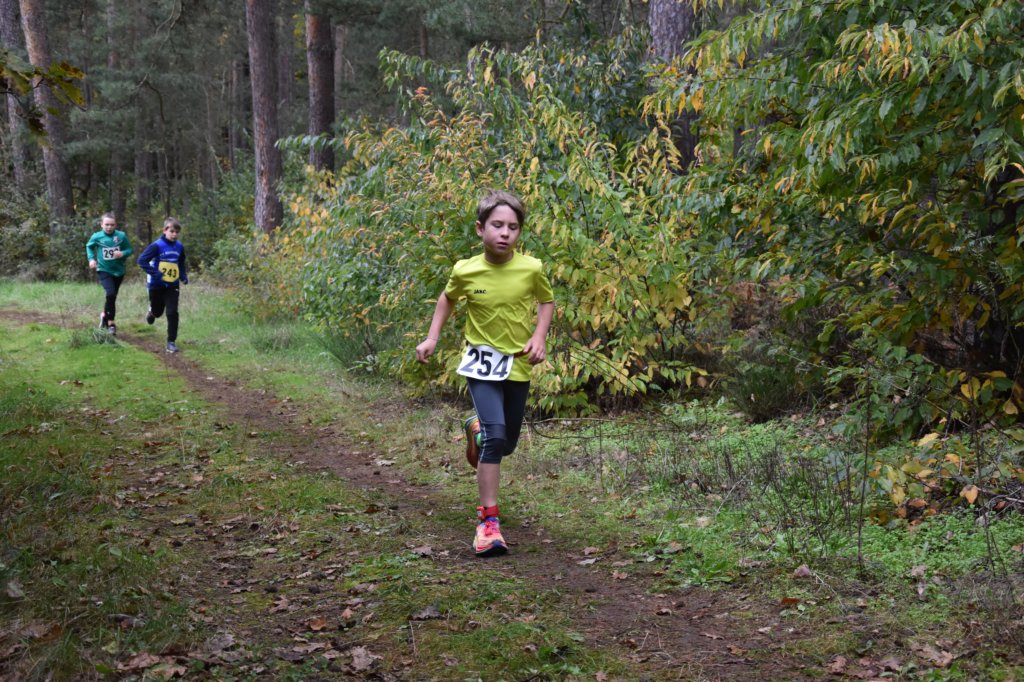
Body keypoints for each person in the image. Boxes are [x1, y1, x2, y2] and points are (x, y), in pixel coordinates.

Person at [416, 190, 555, 557]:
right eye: (497, 225)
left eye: (513, 227)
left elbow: (546, 301)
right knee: (496, 439)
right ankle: (488, 524)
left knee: (506, 444)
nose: (505, 233)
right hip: (480, 364)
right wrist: (432, 338)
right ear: (480, 229)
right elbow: (447, 298)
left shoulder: (531, 268)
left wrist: (539, 337)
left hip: (518, 364)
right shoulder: (465, 270)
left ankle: (475, 429)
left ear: (519, 232)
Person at [137, 217, 188, 353]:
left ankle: (171, 342)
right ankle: (152, 312)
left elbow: (181, 263)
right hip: (156, 285)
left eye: (177, 232)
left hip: (172, 285)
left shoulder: (179, 246)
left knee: (172, 312)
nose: (174, 234)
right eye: (171, 231)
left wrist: (183, 276)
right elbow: (141, 261)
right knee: (158, 312)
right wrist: (156, 274)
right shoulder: (156, 246)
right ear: (164, 230)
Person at [85, 212, 132, 335]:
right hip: (103, 269)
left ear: (115, 225)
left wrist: (123, 253)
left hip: (119, 271)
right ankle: (111, 324)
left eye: (112, 225)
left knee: (112, 297)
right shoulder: (97, 236)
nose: (109, 227)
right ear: (101, 224)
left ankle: (104, 316)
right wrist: (91, 259)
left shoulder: (121, 236)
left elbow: (129, 249)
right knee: (110, 293)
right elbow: (89, 246)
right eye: (107, 224)